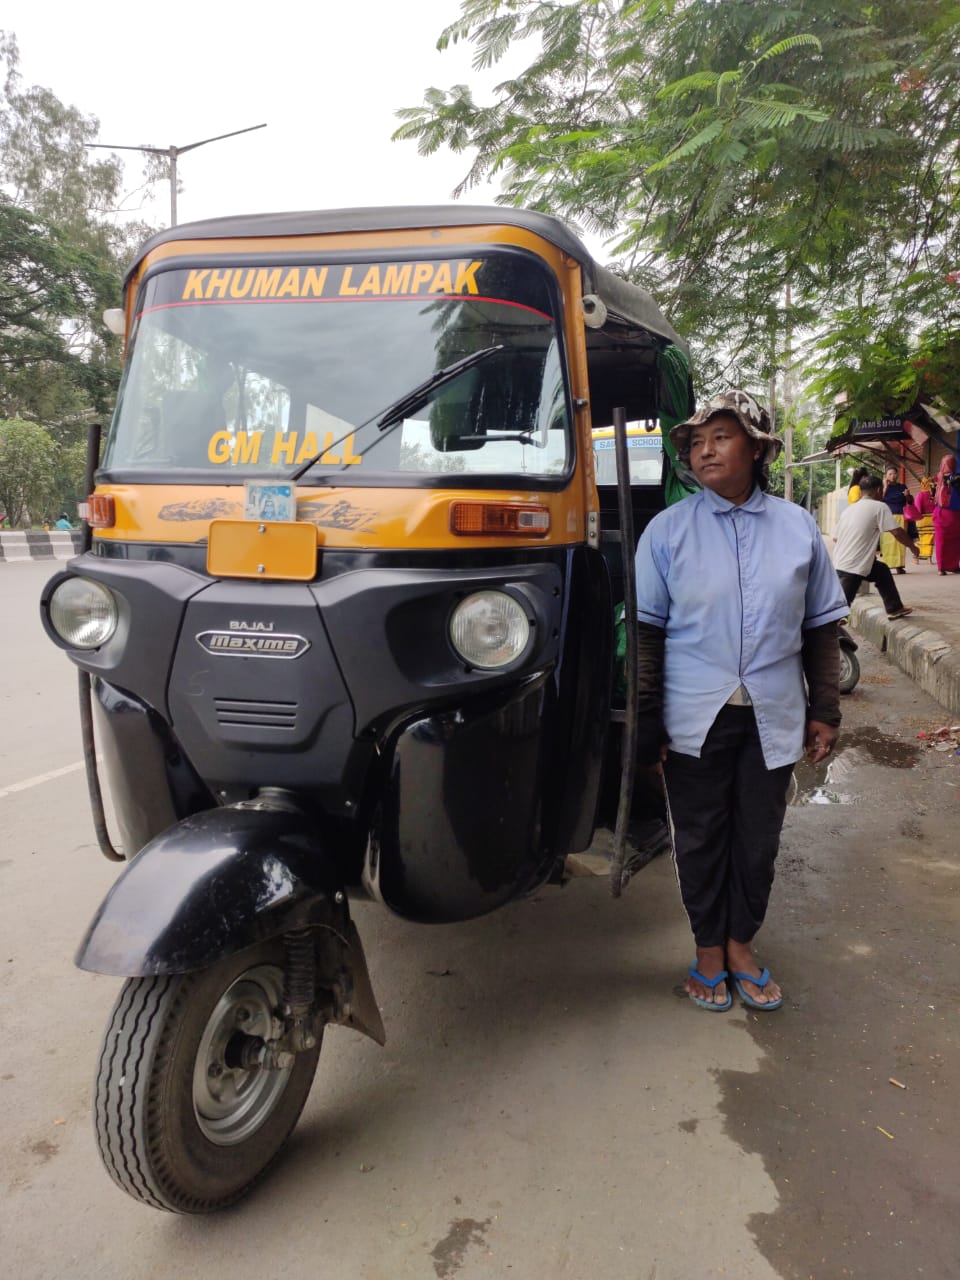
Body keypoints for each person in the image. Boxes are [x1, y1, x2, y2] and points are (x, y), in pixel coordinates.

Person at [634, 390, 848, 1013]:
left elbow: (820, 627)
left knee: (758, 838)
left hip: (773, 713)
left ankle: (739, 945)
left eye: (720, 437)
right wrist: (646, 721)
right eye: (696, 443)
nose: (705, 450)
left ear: (756, 448)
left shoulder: (796, 527)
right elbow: (647, 634)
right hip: (693, 714)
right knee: (699, 837)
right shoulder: (667, 531)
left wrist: (825, 709)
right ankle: (706, 951)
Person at [832, 474, 919, 614]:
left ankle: (894, 608)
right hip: (853, 567)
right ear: (879, 490)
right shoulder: (879, 506)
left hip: (839, 562)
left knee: (881, 571)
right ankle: (831, 632)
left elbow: (835, 538)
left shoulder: (848, 510)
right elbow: (897, 532)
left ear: (860, 492)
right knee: (839, 611)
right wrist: (913, 547)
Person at [879, 466, 912, 574]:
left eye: (894, 473)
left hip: (901, 516)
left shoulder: (902, 486)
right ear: (886, 476)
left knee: (900, 541)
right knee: (888, 542)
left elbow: (910, 501)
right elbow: (880, 499)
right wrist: (885, 486)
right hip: (888, 517)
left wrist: (908, 496)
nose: (893, 476)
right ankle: (886, 565)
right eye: (890, 474)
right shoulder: (883, 487)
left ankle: (899, 566)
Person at [933, 454, 960, 574]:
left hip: (950, 512)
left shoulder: (954, 477)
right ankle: (944, 566)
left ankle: (949, 566)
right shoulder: (939, 478)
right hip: (946, 513)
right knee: (946, 540)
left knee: (949, 540)